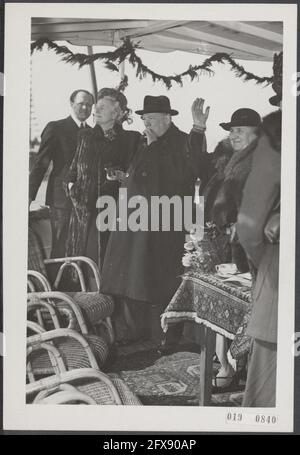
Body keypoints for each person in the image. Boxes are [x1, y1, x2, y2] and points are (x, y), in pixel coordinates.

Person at [100, 95, 211, 347]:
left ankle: (167, 336)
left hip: (166, 221)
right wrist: (125, 177)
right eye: (144, 119)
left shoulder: (181, 140)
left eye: (150, 119)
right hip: (137, 221)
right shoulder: (145, 141)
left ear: (167, 119)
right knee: (134, 277)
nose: (146, 124)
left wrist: (156, 147)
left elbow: (186, 173)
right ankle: (136, 332)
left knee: (161, 278)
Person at [201, 108, 262, 388]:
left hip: (249, 246)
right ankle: (225, 362)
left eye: (239, 130)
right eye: (231, 130)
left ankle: (241, 366)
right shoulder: (228, 160)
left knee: (246, 306)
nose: (233, 135)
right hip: (222, 241)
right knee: (222, 302)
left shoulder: (263, 162)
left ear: (256, 134)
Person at [65, 88, 141, 274]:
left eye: (102, 107)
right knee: (82, 266)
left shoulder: (131, 139)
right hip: (84, 212)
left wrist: (122, 178)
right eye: (96, 107)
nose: (95, 110)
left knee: (109, 265)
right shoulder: (85, 136)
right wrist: (72, 187)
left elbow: (136, 175)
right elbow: (73, 170)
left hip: (112, 211)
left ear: (116, 113)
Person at [237, 108, 281, 406]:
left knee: (270, 395)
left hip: (282, 285)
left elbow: (250, 228)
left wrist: (261, 263)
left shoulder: (277, 133)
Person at [29, 89, 94, 258]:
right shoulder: (56, 128)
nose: (85, 108)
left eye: (89, 104)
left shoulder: (93, 133)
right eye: (81, 104)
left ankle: (75, 284)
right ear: (72, 103)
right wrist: (28, 197)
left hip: (85, 201)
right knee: (60, 246)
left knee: (81, 248)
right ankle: (56, 284)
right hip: (61, 201)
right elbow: (40, 165)